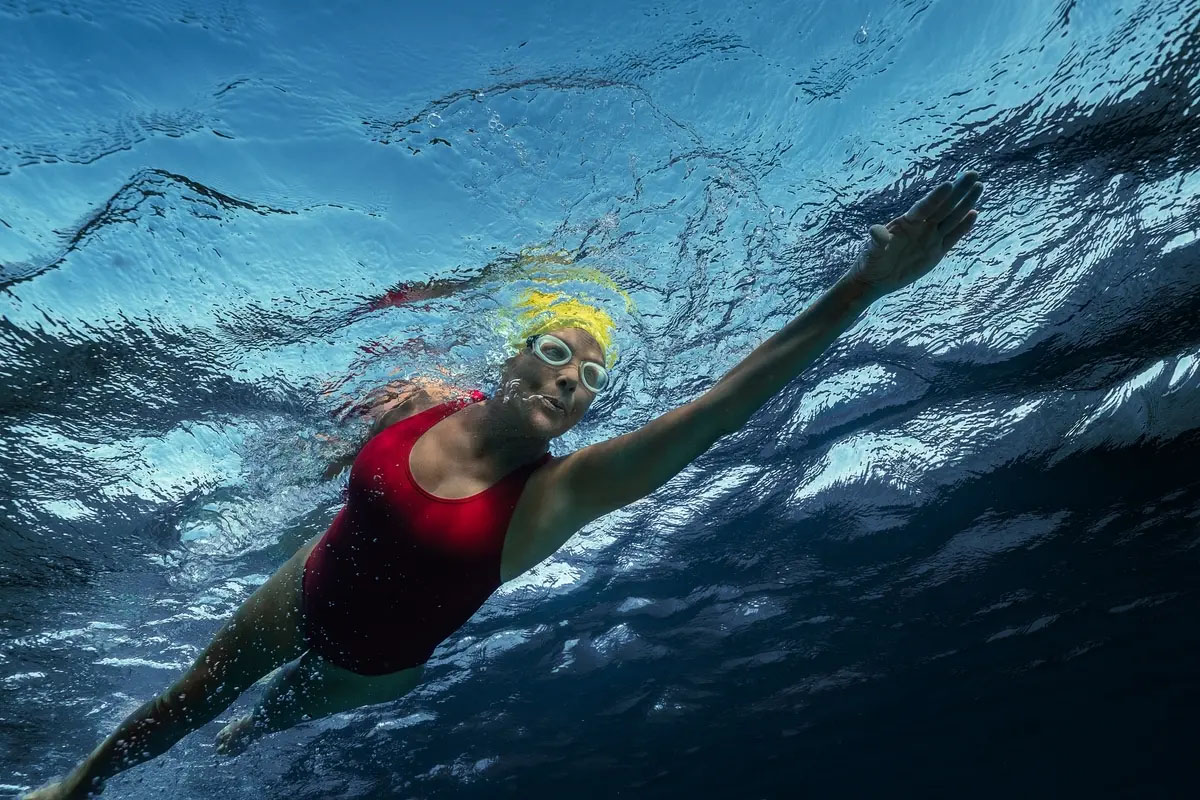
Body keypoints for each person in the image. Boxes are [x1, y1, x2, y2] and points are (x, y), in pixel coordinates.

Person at [23, 172, 982, 799]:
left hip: (368, 668)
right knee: (188, 697)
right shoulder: (428, 399)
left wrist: (861, 288)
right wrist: (332, 451)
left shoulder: (559, 496)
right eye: (562, 353)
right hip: (301, 589)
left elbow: (726, 406)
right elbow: (350, 460)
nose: (574, 379)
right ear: (514, 358)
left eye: (592, 379)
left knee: (244, 739)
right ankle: (74, 789)